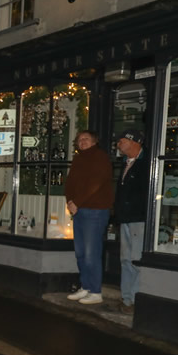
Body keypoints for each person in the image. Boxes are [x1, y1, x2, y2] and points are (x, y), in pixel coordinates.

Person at [64, 130, 114, 305]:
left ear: (94, 142)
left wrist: (76, 201)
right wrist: (70, 201)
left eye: (86, 139)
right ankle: (85, 286)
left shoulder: (100, 157)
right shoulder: (78, 159)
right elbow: (69, 183)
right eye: (79, 140)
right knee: (80, 253)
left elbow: (96, 183)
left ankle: (95, 291)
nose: (82, 142)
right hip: (79, 210)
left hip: (95, 211)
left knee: (91, 252)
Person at [114, 129, 149, 315]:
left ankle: (134, 299)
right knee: (125, 259)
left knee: (135, 259)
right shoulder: (127, 163)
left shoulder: (146, 164)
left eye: (121, 141)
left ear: (134, 142)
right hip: (126, 218)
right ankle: (127, 299)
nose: (118, 144)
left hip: (138, 219)